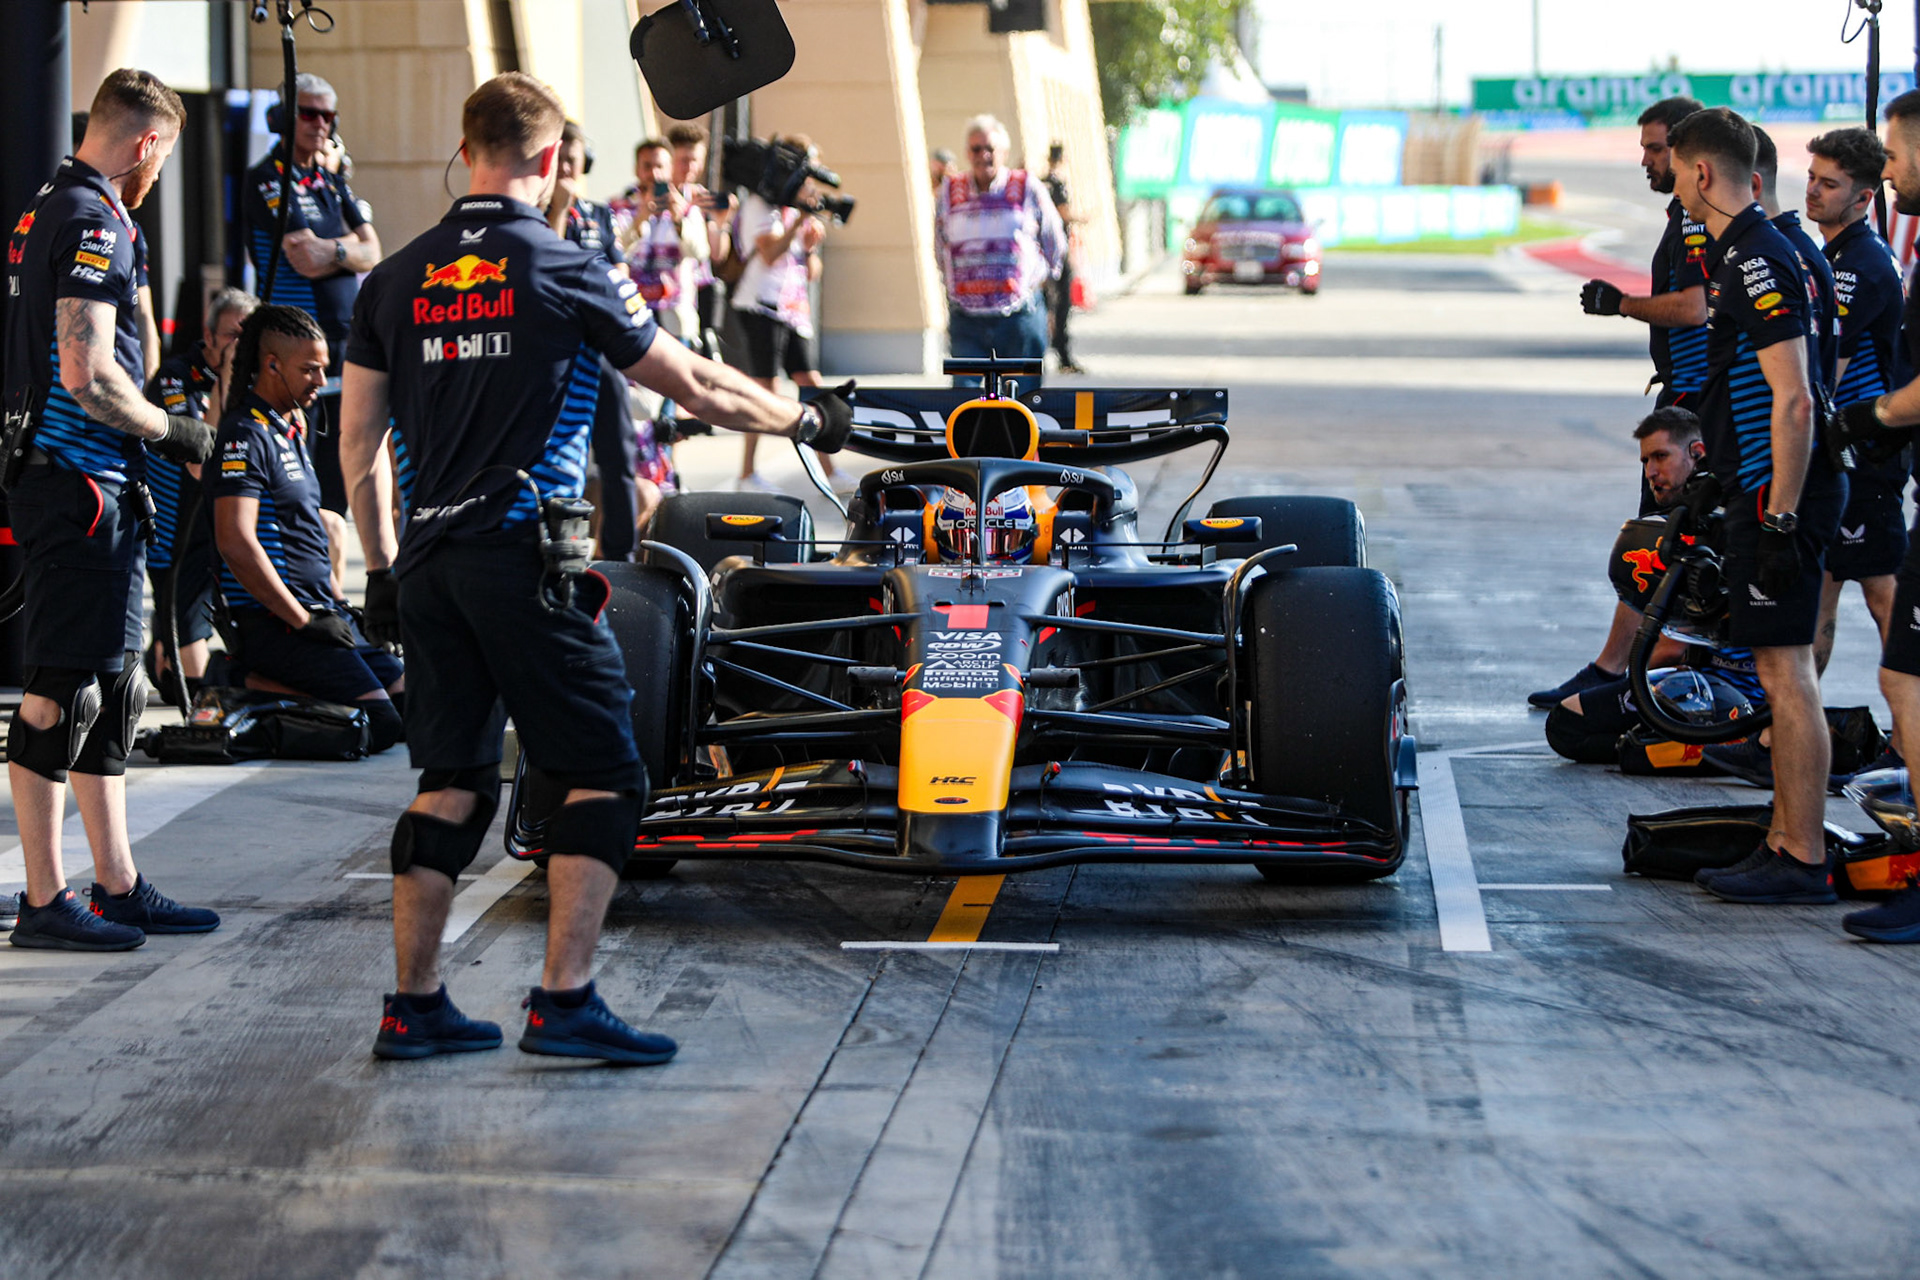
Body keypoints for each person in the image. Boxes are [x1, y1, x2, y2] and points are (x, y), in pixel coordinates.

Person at [338, 72, 854, 1062]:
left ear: (466, 147)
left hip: (430, 565)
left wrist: (382, 565)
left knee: (449, 780)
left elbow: (356, 442)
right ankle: (565, 1000)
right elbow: (692, 377)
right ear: (547, 159)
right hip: (524, 552)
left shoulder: (392, 279)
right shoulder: (567, 266)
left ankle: (414, 1003)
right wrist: (805, 414)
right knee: (606, 774)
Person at [1, 69, 220, 950]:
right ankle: (45, 900)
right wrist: (178, 432)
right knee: (61, 688)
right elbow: (88, 373)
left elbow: (132, 342)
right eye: (162, 155)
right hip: (80, 480)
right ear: (148, 143)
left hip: (85, 481)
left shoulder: (56, 208)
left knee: (113, 687)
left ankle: (117, 883)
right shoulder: (92, 218)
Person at [1661, 107, 1846, 906]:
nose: (1672, 186)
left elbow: (1797, 400)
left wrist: (1778, 517)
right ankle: (1784, 836)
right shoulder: (1774, 243)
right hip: (1766, 483)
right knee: (1780, 668)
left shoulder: (1756, 256)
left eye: (1673, 170)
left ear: (1702, 173)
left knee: (1785, 671)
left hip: (1781, 491)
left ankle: (1801, 855)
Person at [1540, 96, 1714, 710]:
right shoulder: (1684, 216)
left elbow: (1694, 307)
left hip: (1695, 402)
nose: (1645, 159)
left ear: (1690, 153)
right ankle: (1624, 666)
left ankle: (1622, 669)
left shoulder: (1694, 221)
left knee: (1656, 543)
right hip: (1689, 396)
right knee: (1664, 542)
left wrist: (1621, 304)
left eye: (1655, 148)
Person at [211, 305, 403, 754]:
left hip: (319, 615)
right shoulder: (243, 433)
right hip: (275, 624)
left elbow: (307, 539)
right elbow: (234, 541)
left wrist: (339, 606)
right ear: (271, 365)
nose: (321, 380)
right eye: (310, 370)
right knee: (379, 725)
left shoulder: (288, 429)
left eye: (323, 369)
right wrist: (301, 620)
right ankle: (242, 679)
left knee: (416, 710)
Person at [1825, 88, 1920, 942]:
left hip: (1875, 466)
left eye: (1896, 151)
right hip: (1882, 465)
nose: (1892, 169)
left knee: (1903, 664)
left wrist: (1869, 419)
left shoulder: (1869, 259)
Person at [244, 72, 381, 517]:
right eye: (309, 112)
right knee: (303, 459)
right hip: (294, 340)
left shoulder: (329, 179)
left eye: (328, 115)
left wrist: (334, 250)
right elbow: (304, 259)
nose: (320, 123)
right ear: (283, 117)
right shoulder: (268, 179)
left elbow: (374, 250)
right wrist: (349, 250)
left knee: (341, 457)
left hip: (342, 337)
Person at [1805, 126, 1905, 679]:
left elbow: (1826, 368)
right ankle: (1792, 728)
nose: (1814, 192)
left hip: (1865, 454)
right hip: (1844, 449)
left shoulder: (1856, 264)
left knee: (1884, 592)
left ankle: (1909, 729)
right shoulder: (1844, 253)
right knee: (1821, 585)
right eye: (1812, 179)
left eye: (1830, 184)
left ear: (1865, 198)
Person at [143, 286, 258, 705]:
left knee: (331, 527)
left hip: (230, 521)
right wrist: (228, 378)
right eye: (232, 335)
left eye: (249, 337)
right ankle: (163, 647)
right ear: (209, 337)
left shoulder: (262, 373)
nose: (239, 345)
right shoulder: (175, 376)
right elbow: (198, 461)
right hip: (179, 533)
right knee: (186, 689)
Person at [546, 121, 651, 555]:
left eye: (575, 159)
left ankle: (619, 552)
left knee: (619, 456)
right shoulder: (536, 214)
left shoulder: (597, 214)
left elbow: (618, 270)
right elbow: (543, 262)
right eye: (562, 160)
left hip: (600, 349)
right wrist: (556, 210)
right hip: (552, 353)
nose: (569, 168)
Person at [729, 133, 835, 492]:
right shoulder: (761, 205)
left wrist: (809, 249)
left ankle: (830, 469)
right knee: (764, 387)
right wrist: (796, 224)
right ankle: (746, 473)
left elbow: (812, 273)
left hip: (792, 309)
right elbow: (769, 253)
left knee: (811, 384)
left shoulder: (795, 207)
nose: (810, 180)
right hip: (761, 304)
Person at [935, 115, 1065, 385]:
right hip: (966, 319)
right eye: (976, 149)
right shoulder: (950, 191)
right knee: (965, 406)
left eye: (990, 149)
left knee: (1024, 405)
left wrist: (1041, 285)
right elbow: (939, 243)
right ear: (967, 154)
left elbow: (1054, 240)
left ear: (1004, 152)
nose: (984, 155)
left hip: (1019, 318)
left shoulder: (1026, 186)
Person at [1041, 142, 1086, 376]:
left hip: (1041, 252)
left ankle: (1046, 352)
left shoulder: (1040, 182)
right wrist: (1081, 218)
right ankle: (1062, 353)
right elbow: (1062, 212)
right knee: (1061, 305)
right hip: (1056, 251)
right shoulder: (1056, 184)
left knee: (1046, 303)